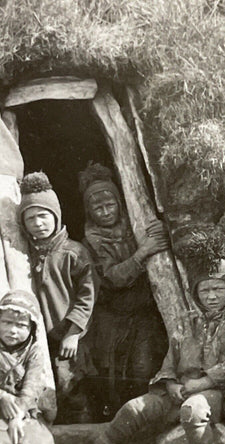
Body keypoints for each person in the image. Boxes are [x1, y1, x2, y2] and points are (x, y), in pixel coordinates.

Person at [73, 255, 225, 444]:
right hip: (180, 388)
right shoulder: (188, 321)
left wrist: (202, 384)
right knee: (134, 408)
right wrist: (170, 383)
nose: (211, 296)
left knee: (194, 410)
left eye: (219, 288)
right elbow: (171, 357)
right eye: (204, 290)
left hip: (218, 392)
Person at [79, 163, 168, 414]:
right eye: (98, 208)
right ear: (89, 211)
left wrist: (162, 231)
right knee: (112, 373)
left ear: (120, 204)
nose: (106, 212)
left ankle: (144, 417)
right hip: (112, 316)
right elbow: (112, 277)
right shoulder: (92, 241)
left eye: (111, 205)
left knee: (143, 367)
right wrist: (142, 253)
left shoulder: (136, 225)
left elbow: (161, 239)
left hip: (143, 313)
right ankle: (118, 420)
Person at [18, 172, 97, 423]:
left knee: (71, 385)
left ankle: (81, 435)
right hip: (42, 336)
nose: (38, 223)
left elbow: (88, 295)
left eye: (43, 215)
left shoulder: (73, 252)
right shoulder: (24, 254)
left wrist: (74, 332)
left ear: (56, 216)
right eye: (30, 218)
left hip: (69, 335)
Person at [0, 290, 73, 444]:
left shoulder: (34, 352)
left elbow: (31, 386)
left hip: (21, 413)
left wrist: (18, 414)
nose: (13, 331)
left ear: (31, 327)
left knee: (35, 441)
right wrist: (2, 397)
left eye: (21, 325)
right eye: (6, 323)